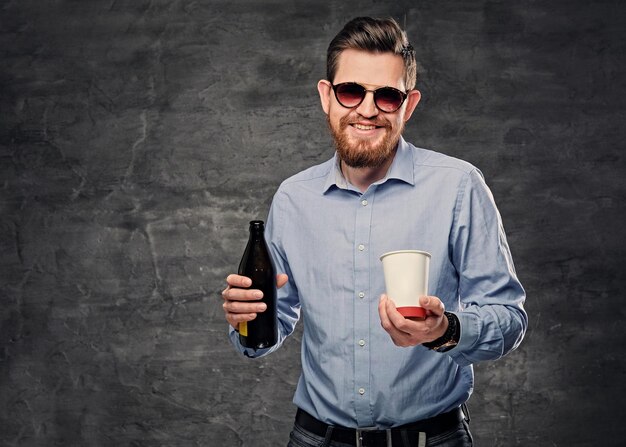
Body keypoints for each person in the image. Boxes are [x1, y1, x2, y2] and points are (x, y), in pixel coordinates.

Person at [221, 16, 527, 447]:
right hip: (317, 438)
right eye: (351, 91)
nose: (367, 109)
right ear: (327, 97)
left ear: (409, 104)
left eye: (386, 96)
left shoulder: (458, 187)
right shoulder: (293, 199)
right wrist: (248, 320)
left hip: (431, 439)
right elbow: (274, 321)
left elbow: (509, 319)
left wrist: (445, 331)